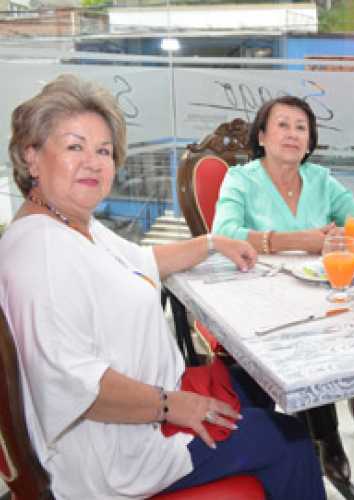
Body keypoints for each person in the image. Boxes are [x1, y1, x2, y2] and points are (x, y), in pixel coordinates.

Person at [0, 74, 325, 500]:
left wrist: (213, 242)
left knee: (254, 385)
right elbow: (80, 386)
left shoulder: (72, 224)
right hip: (118, 448)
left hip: (144, 404)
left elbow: (145, 262)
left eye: (103, 150)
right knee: (289, 440)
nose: (94, 162)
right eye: (74, 146)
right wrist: (173, 404)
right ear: (33, 157)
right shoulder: (42, 253)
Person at [212, 95, 354, 484]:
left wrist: (340, 235)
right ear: (262, 136)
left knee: (344, 326)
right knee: (307, 331)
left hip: (316, 293)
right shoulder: (241, 179)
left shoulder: (320, 179)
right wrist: (295, 240)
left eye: (301, 127)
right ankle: (318, 434)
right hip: (255, 298)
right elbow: (223, 233)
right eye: (282, 125)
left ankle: (323, 433)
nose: (293, 134)